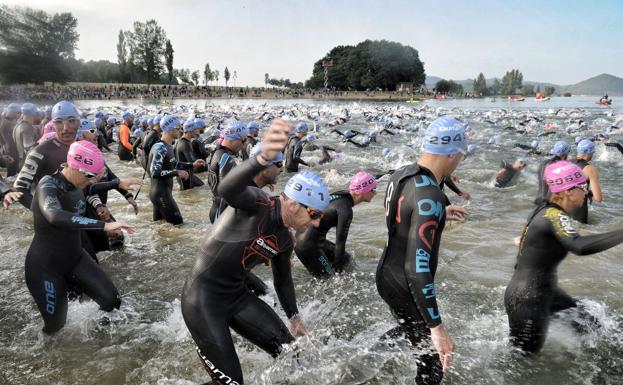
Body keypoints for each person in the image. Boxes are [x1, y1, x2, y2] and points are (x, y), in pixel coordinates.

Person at [181, 120, 329, 385]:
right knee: (232, 383)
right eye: (315, 214)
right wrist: (260, 158)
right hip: (202, 302)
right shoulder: (257, 203)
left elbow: (283, 280)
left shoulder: (284, 240)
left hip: (236, 296)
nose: (317, 223)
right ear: (294, 205)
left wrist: (295, 319)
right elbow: (226, 188)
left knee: (291, 353)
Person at [377, 116, 471, 385]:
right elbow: (417, 268)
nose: (460, 161)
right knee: (434, 367)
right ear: (452, 152)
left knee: (414, 335)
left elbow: (402, 216)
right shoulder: (429, 196)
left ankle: (377, 354)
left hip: (386, 274)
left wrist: (439, 213)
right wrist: (437, 327)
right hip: (406, 283)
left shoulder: (402, 173)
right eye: (461, 155)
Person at [505, 160, 623, 353]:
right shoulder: (554, 215)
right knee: (524, 364)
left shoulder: (544, 209)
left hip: (544, 292)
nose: (587, 192)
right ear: (568, 191)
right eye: (583, 187)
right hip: (528, 300)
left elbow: (535, 240)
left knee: (587, 321)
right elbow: (579, 246)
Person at [25, 140, 135, 334]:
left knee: (111, 301)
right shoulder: (47, 185)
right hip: (46, 267)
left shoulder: (77, 183)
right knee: (56, 327)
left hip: (75, 257)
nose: (93, 180)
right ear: (75, 167)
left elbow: (89, 189)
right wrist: (104, 225)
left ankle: (99, 347)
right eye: (91, 176)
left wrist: (117, 183)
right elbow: (55, 216)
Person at [295, 172, 377, 277]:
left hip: (304, 239)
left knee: (347, 258)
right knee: (329, 279)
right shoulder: (346, 210)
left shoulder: (340, 195)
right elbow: (340, 242)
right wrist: (339, 272)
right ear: (363, 191)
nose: (375, 193)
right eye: (373, 189)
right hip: (308, 246)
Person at [9, 101, 80, 209]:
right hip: (56, 219)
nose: (65, 127)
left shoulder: (84, 147)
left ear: (79, 122)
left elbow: (97, 177)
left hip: (81, 213)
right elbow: (19, 188)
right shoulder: (40, 152)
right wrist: (42, 212)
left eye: (71, 121)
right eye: (59, 122)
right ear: (53, 124)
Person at [148, 116, 205, 225]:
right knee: (178, 223)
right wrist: (177, 172)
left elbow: (174, 163)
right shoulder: (160, 148)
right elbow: (155, 172)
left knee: (160, 226)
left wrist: (192, 165)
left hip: (162, 193)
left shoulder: (168, 146)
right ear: (170, 129)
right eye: (178, 128)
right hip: (160, 193)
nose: (181, 131)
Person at [207, 119, 247, 223]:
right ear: (232, 139)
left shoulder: (219, 152)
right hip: (221, 211)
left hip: (218, 208)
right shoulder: (225, 157)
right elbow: (228, 193)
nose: (244, 145)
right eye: (243, 141)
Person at [570, 140, 602, 223]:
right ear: (589, 153)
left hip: (563, 209)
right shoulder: (590, 169)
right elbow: (598, 198)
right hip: (579, 212)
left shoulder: (566, 163)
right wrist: (589, 193)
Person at [173, 119, 206, 190]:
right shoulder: (185, 144)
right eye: (195, 130)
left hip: (182, 174)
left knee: (201, 186)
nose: (197, 132)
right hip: (186, 176)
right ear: (190, 130)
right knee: (189, 197)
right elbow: (192, 162)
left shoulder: (180, 141)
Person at [13, 103, 39, 170]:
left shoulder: (17, 125)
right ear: (33, 114)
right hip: (25, 163)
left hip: (19, 160)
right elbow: (29, 149)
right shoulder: (27, 128)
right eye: (36, 113)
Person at [0, 103, 21, 176]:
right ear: (13, 112)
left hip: (5, 147)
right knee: (11, 172)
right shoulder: (7, 123)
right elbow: (8, 140)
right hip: (9, 149)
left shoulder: (3, 120)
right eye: (18, 113)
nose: (19, 115)